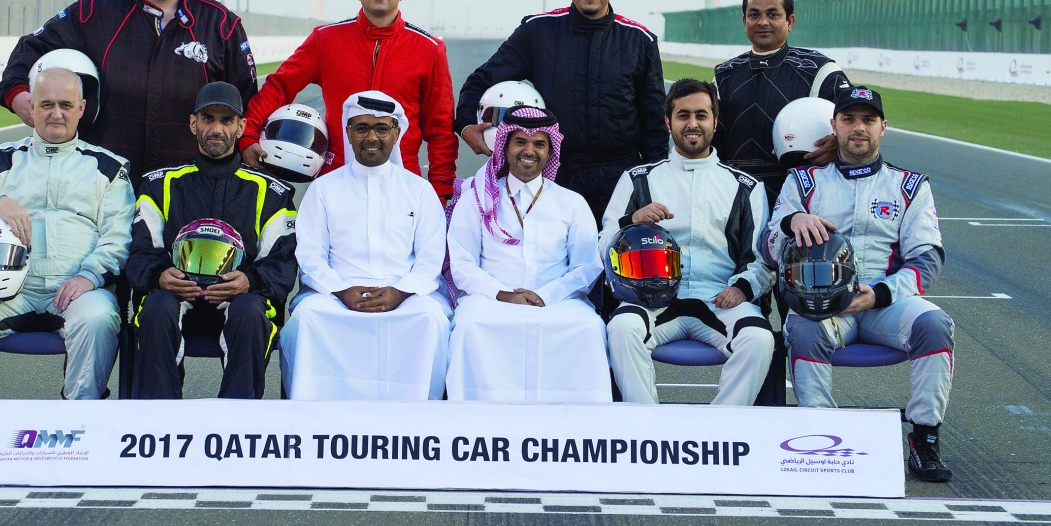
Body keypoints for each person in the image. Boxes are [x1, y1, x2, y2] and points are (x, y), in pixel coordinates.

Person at [0, 67, 133, 471]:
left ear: (82, 109)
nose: (56, 114)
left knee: (99, 316)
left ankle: (81, 424)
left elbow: (120, 237)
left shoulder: (109, 167)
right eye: (46, 104)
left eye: (65, 105)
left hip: (77, 288)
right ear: (31, 107)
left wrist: (90, 275)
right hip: (9, 289)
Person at [764, 86, 955, 482]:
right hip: (826, 306)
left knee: (936, 325)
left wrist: (879, 294)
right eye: (849, 120)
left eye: (868, 120)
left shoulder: (909, 185)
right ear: (834, 127)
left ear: (883, 128)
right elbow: (768, 247)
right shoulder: (804, 181)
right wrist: (790, 222)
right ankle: (819, 437)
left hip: (885, 303)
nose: (858, 128)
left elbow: (928, 258)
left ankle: (925, 438)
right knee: (800, 326)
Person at [0, 0, 257, 185]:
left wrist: (248, 142)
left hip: (189, 186)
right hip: (104, 183)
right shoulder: (98, 10)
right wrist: (16, 95)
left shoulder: (221, 24)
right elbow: (31, 46)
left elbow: (247, 99)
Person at [454, 0, 668, 223]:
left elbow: (655, 126)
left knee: (618, 264)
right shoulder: (538, 31)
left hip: (621, 179)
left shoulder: (639, 40)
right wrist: (466, 123)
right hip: (554, 176)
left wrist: (649, 186)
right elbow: (481, 80)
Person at [600, 79, 774, 406]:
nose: (692, 124)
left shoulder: (746, 186)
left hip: (720, 298)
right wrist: (632, 221)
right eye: (682, 115)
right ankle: (646, 432)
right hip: (652, 297)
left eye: (701, 115)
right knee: (621, 328)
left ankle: (719, 436)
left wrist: (744, 287)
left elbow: (761, 261)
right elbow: (603, 249)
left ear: (715, 122)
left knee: (759, 338)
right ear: (668, 122)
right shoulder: (638, 179)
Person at [240, 0, 457, 200]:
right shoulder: (325, 39)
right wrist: (248, 133)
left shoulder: (430, 50)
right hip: (336, 183)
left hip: (402, 186)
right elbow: (280, 86)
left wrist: (441, 194)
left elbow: (440, 131)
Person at [127, 82, 297, 399]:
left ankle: (236, 424)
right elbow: (139, 255)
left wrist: (249, 279)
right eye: (208, 119)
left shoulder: (272, 192)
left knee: (250, 311)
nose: (216, 129)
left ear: (241, 126)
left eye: (226, 120)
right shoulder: (158, 184)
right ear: (194, 124)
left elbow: (284, 265)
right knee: (157, 305)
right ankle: (157, 423)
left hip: (240, 302)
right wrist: (159, 275)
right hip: (175, 298)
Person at [280, 91, 450, 400]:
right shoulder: (323, 189)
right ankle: (312, 423)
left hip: (404, 296)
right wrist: (341, 290)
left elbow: (430, 258)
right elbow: (310, 255)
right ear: (348, 132)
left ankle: (420, 424)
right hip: (336, 296)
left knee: (431, 319)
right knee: (306, 319)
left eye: (381, 128)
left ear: (396, 133)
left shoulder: (419, 191)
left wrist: (401, 292)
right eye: (362, 128)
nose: (372, 137)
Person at [446, 106, 610, 402]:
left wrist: (545, 295)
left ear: (550, 151)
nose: (529, 151)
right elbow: (462, 264)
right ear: (505, 146)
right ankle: (473, 426)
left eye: (539, 144)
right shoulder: (477, 198)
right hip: (491, 301)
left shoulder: (571, 202)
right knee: (469, 326)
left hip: (557, 302)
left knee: (589, 328)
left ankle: (582, 429)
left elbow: (586, 267)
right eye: (520, 141)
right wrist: (502, 294)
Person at [713, 0, 852, 207]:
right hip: (734, 193)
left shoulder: (819, 69)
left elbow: (859, 117)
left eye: (773, 14)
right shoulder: (724, 74)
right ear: (744, 21)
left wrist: (840, 143)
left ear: (790, 22)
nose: (763, 22)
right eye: (754, 15)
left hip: (801, 194)